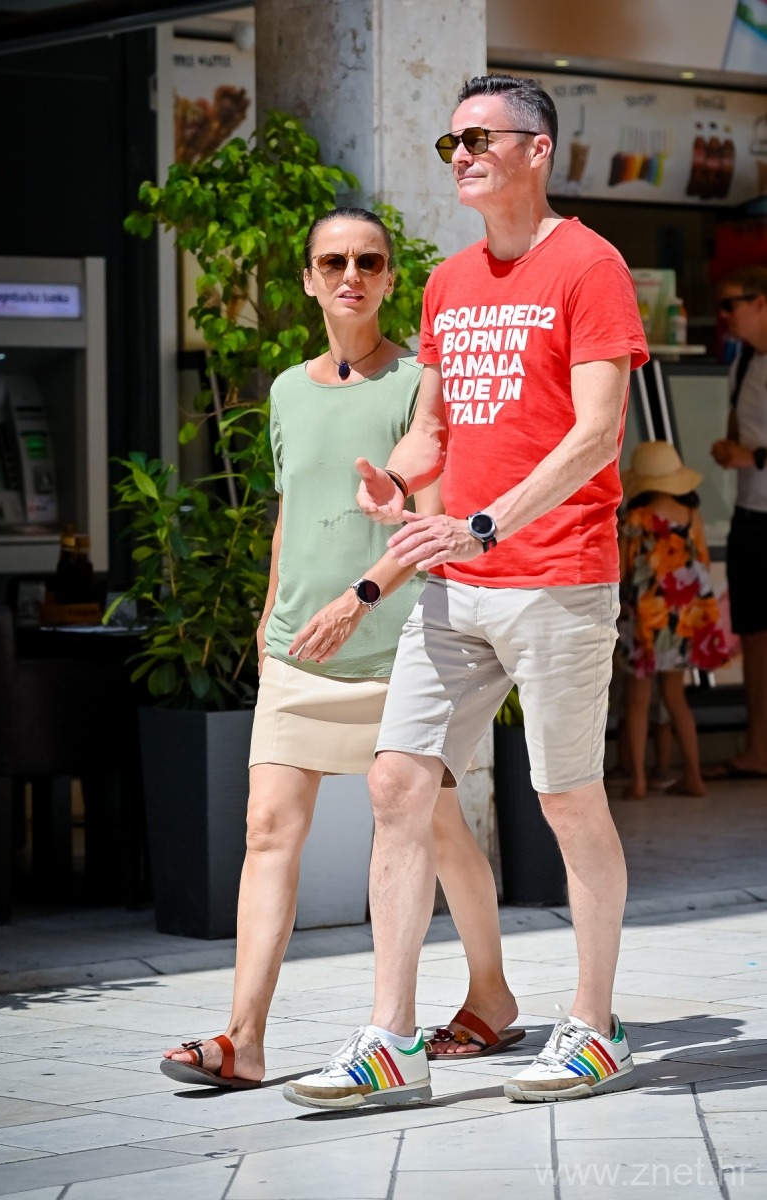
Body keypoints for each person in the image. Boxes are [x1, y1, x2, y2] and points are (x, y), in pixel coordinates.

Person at [284, 74, 649, 1112]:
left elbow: (596, 435)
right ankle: (390, 1040)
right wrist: (399, 486)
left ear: (538, 149)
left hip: (557, 578)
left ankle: (596, 1026)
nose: (463, 156)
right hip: (455, 583)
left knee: (567, 800)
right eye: (452, 143)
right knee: (397, 785)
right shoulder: (448, 283)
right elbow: (436, 431)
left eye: (481, 138)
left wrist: (487, 521)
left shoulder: (591, 265)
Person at [161, 207, 523, 1090]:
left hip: (404, 648)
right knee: (267, 829)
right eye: (333, 262)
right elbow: (294, 506)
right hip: (301, 646)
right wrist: (269, 616)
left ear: (390, 278)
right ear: (309, 280)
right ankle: (244, 1040)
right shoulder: (288, 389)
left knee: (439, 826)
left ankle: (490, 995)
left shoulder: (418, 385)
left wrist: (361, 600)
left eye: (368, 261)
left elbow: (432, 520)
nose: (350, 275)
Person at [616, 440, 730, 799]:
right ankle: (694, 775)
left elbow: (622, 570)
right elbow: (703, 563)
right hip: (681, 621)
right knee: (676, 697)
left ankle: (638, 781)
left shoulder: (635, 520)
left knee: (637, 700)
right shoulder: (692, 517)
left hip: (644, 621)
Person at [707, 266, 767, 780]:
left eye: (732, 304)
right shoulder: (742, 360)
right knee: (752, 637)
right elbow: (740, 428)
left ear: (762, 303)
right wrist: (731, 450)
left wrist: (756, 457)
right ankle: (758, 748)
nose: (724, 316)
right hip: (751, 513)